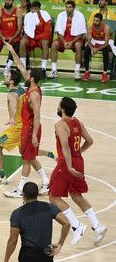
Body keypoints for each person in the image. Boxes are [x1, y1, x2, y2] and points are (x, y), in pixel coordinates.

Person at [46, 97, 107, 246]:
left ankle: (77, 226)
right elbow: (90, 141)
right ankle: (97, 226)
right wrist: (77, 153)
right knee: (76, 195)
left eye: (59, 105)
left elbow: (65, 147)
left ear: (63, 109)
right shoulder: (78, 122)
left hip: (67, 164)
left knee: (53, 197)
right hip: (79, 161)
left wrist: (68, 165)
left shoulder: (60, 125)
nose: (58, 107)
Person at [3, 42, 50, 198]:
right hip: (27, 126)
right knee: (30, 156)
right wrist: (12, 50)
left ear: (33, 79)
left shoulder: (34, 94)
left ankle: (21, 189)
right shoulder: (30, 86)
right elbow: (20, 65)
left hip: (31, 127)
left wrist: (35, 134)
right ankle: (46, 181)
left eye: (28, 73)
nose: (26, 73)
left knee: (26, 159)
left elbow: (37, 116)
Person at [4, 182, 70, 262]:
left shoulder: (17, 213)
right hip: (46, 252)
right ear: (37, 194)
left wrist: (6, 260)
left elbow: (13, 241)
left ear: (23, 195)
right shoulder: (49, 207)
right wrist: (60, 244)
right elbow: (66, 223)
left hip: (28, 254)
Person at [0, 69, 25, 185]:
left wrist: (12, 117)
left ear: (12, 81)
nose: (4, 77)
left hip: (18, 127)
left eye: (7, 76)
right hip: (25, 126)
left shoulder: (11, 94)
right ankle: (52, 155)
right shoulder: (22, 90)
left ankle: (0, 176)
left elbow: (13, 105)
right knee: (26, 153)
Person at [50, 1, 87, 79]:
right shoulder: (61, 15)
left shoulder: (80, 16)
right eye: (66, 7)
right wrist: (64, 42)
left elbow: (81, 33)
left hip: (76, 38)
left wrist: (72, 42)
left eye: (70, 7)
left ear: (74, 8)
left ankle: (77, 71)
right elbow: (58, 31)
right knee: (54, 44)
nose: (68, 9)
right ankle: (54, 70)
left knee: (78, 46)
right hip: (63, 38)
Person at [0, 0, 23, 77]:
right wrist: (2, 37)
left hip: (14, 35)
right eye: (6, 0)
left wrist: (12, 37)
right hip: (2, 35)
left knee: (17, 43)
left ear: (12, 1)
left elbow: (19, 28)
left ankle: (7, 68)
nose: (7, 2)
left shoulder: (18, 11)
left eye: (9, 0)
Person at [19, 1, 52, 77]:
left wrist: (36, 37)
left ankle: (43, 68)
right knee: (22, 42)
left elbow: (47, 33)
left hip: (42, 38)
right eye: (32, 9)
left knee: (45, 43)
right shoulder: (28, 16)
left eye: (35, 9)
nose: (33, 11)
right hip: (32, 38)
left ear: (39, 8)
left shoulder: (46, 15)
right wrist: (27, 36)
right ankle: (23, 68)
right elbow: (27, 31)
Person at [82, 13, 113, 83]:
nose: (95, 22)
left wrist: (97, 49)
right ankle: (87, 72)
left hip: (104, 42)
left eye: (97, 21)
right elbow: (89, 40)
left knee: (106, 51)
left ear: (101, 21)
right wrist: (92, 48)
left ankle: (105, 73)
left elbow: (106, 43)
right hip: (95, 41)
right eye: (94, 20)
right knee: (87, 49)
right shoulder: (90, 27)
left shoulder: (106, 28)